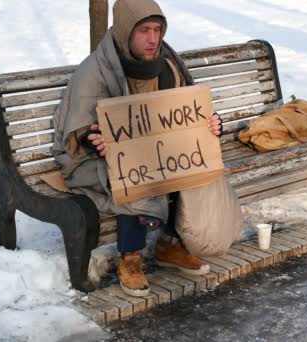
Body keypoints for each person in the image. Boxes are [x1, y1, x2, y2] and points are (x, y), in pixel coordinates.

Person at [52, 0, 223, 297]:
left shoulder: (167, 63)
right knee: (132, 173)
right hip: (89, 157)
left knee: (184, 164)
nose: (153, 39)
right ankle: (130, 257)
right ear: (125, 30)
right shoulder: (96, 70)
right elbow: (77, 128)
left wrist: (209, 125)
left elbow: (187, 110)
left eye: (157, 29)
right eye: (144, 30)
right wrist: (95, 140)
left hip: (151, 148)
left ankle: (170, 245)